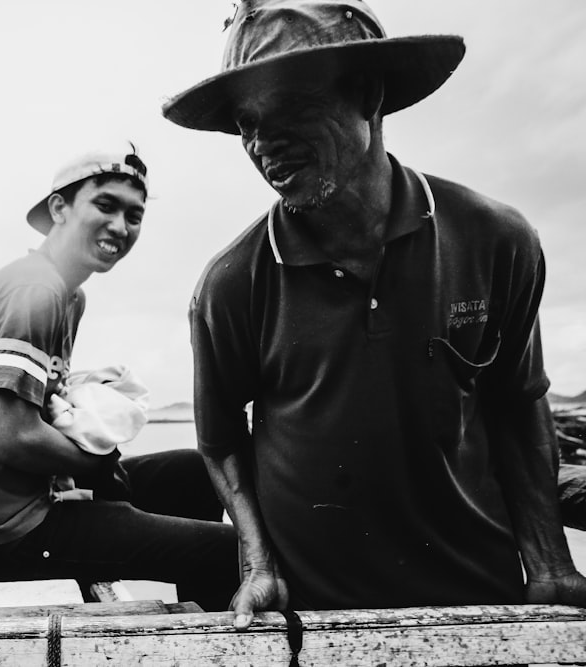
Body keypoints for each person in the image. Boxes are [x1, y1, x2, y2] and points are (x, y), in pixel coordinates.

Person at [161, 0, 586, 627]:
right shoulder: (231, 284)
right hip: (314, 616)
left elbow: (517, 403)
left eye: (286, 108)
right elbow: (221, 439)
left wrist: (550, 565)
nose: (261, 143)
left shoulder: (495, 239)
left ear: (367, 92)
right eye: (246, 124)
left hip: (479, 598)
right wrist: (258, 565)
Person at [0, 142, 238, 611]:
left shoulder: (69, 296)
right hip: (8, 532)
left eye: (133, 216)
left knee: (196, 472)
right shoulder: (34, 289)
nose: (120, 226)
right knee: (228, 551)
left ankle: (186, 619)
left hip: (38, 500)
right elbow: (11, 436)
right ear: (59, 208)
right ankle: (208, 645)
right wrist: (97, 465)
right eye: (105, 205)